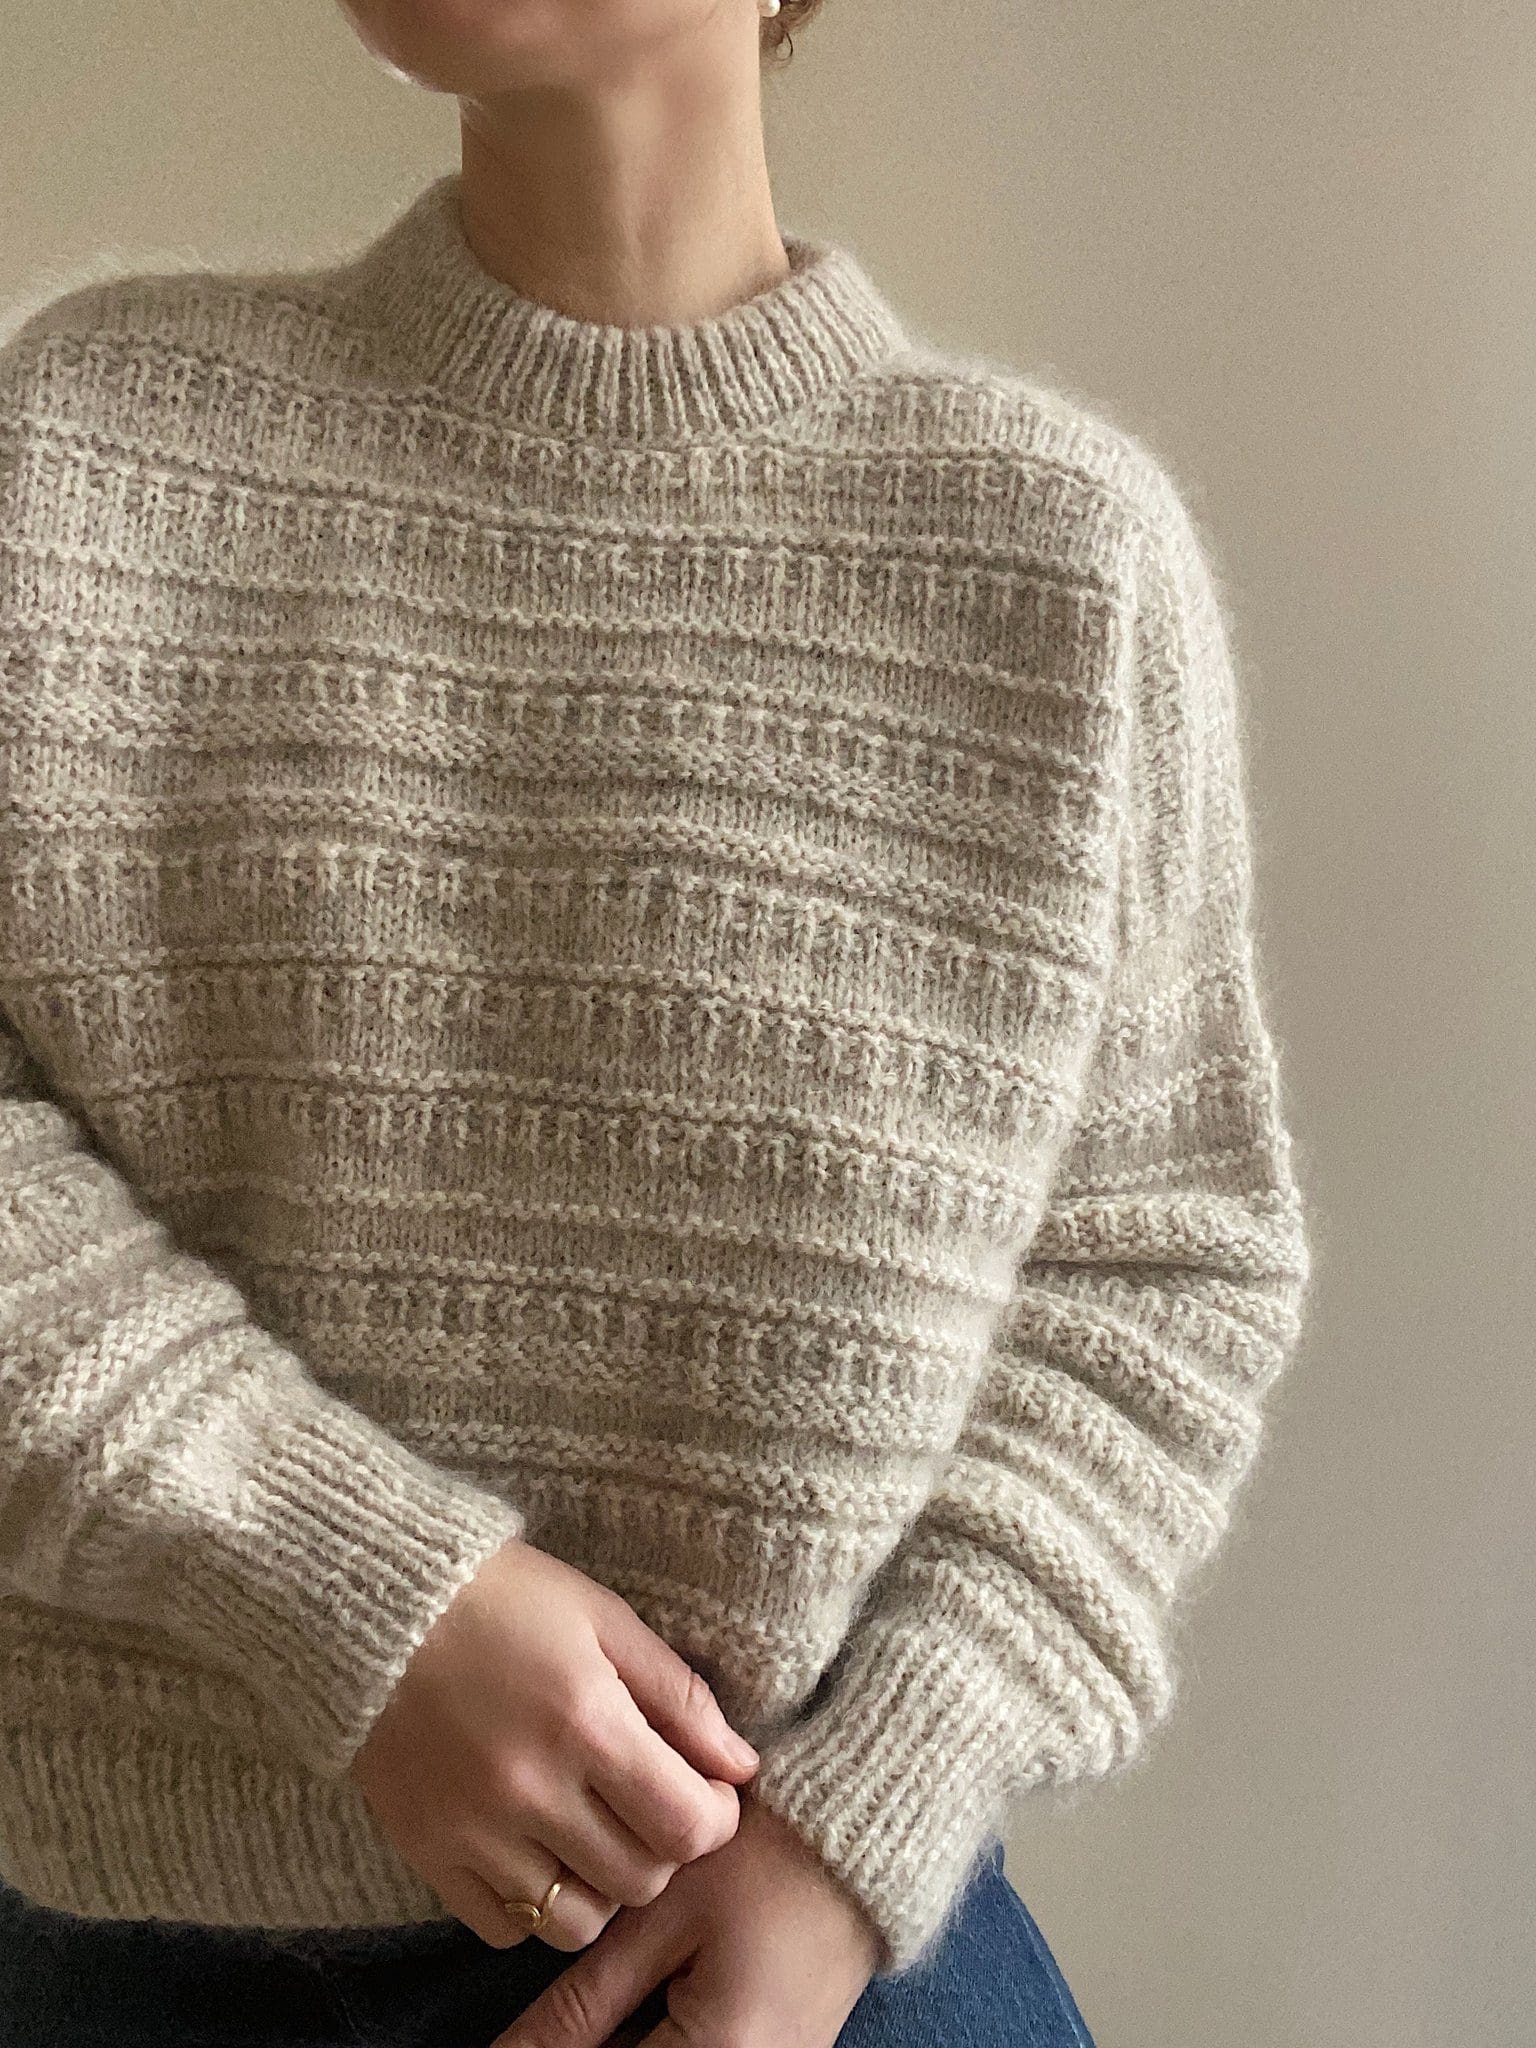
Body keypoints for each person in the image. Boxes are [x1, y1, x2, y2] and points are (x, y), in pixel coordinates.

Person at [0, 2, 1311, 2043]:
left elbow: (1162, 1277)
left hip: (782, 1941)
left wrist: (876, 1809)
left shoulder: (1058, 564)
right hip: (137, 1947)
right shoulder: (89, 447)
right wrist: (354, 1586)